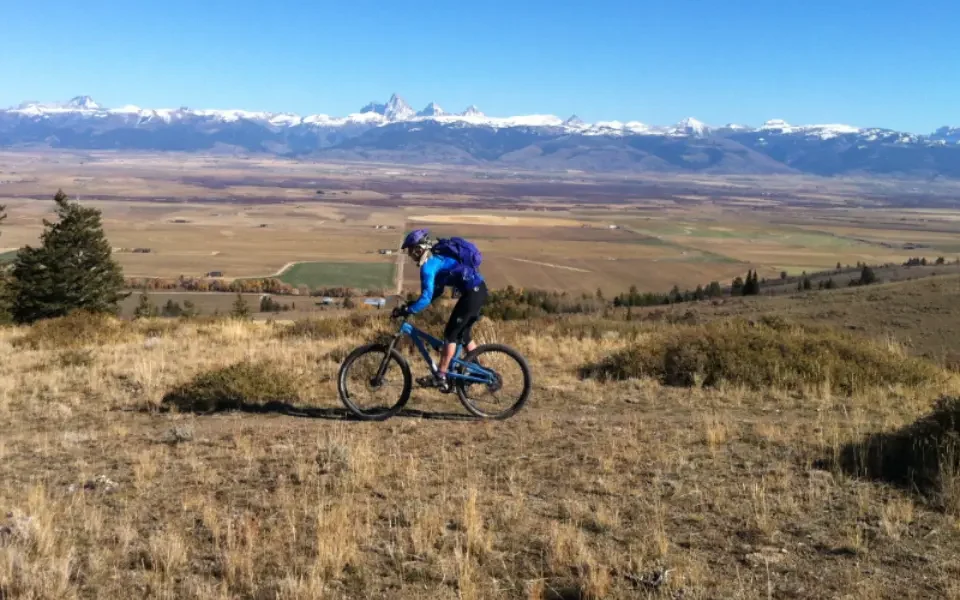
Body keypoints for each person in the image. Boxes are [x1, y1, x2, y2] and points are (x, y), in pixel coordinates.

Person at [394, 228, 488, 391]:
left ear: (419, 249)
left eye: (411, 251)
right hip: (478, 291)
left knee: (450, 334)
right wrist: (413, 304)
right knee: (462, 334)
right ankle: (479, 370)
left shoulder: (428, 267)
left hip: (472, 294)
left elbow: (426, 297)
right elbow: (436, 291)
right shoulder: (436, 258)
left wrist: (409, 310)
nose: (410, 255)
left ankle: (441, 375)